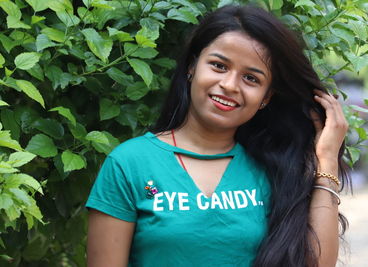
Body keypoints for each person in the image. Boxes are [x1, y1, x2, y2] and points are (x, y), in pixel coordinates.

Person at [86, 4, 349, 267]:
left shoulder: (275, 170)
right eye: (219, 66)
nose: (229, 85)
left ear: (266, 97)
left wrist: (326, 160)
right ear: (192, 67)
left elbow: (318, 263)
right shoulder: (130, 164)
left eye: (251, 78)